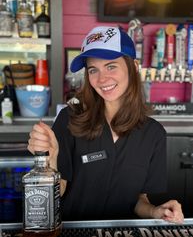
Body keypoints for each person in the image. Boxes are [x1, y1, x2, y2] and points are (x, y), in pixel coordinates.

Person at [28, 26, 184, 223]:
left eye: (111, 66)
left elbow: (138, 200)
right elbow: (58, 192)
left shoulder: (153, 133)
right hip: (73, 231)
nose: (102, 79)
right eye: (93, 69)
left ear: (133, 67)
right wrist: (49, 162)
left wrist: (155, 211)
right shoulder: (69, 119)